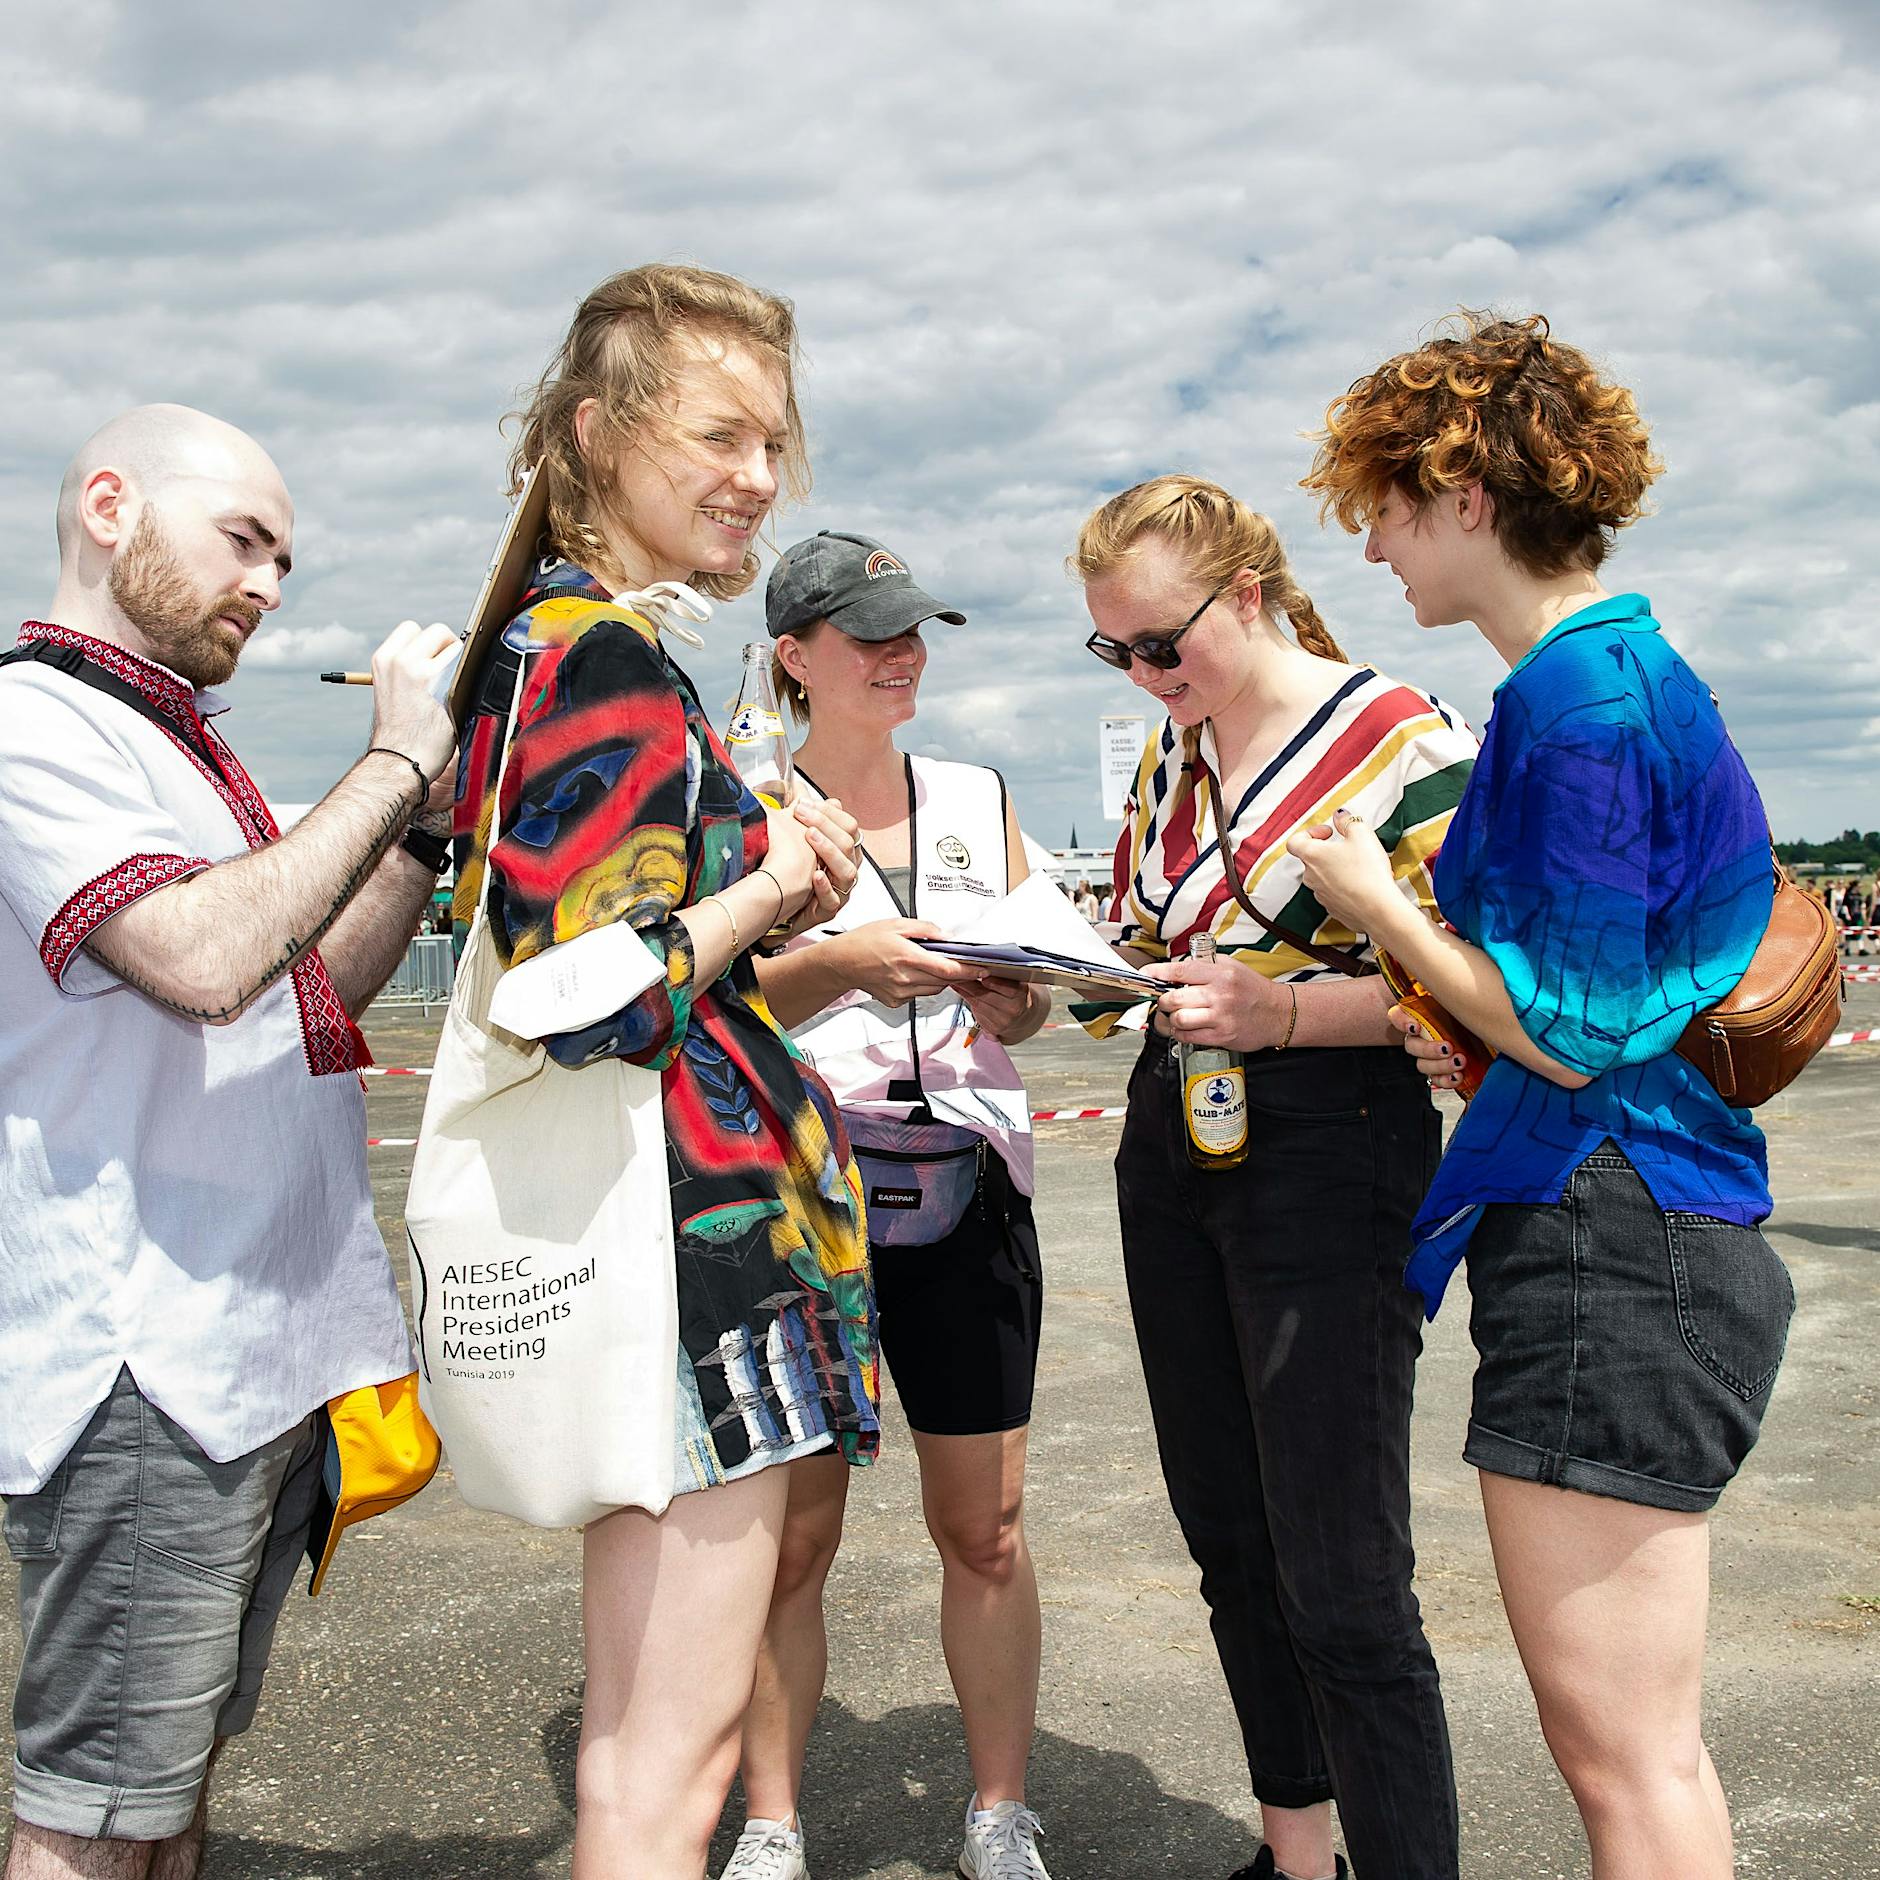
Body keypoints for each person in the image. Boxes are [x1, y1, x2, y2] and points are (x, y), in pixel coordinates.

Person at [1295, 312, 1792, 1880]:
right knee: (1649, 1757)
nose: (1371, 545)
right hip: (1638, 1224)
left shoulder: (1577, 701)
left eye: (1382, 502)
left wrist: (1378, 902)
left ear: (1461, 494)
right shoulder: (1611, 683)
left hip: (1610, 1227)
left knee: (1628, 1766)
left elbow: (1568, 1039)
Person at [450, 265, 875, 1880]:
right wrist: (769, 888)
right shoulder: (598, 654)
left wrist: (754, 898)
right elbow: (582, 996)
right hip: (698, 1271)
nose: (759, 474)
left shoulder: (561, 640)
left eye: (775, 441)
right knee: (663, 1766)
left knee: (639, 1747)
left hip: (677, 1252)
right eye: (721, 432)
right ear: (594, 434)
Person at [0, 405, 458, 1880]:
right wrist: (390, 758)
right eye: (243, 540)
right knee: (88, 1813)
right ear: (110, 506)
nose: (269, 586)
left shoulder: (173, 746)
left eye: (285, 558)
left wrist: (420, 831)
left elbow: (304, 994)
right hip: (145, 1352)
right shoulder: (33, 721)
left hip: (248, 1351)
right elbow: (201, 955)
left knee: (167, 1780)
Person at [1070, 475, 1476, 1880]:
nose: (1144, 673)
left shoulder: (1397, 736)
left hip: (1330, 1131)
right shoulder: (1170, 752)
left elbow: (1484, 988)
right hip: (1173, 1123)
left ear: (1247, 594)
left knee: (1344, 1572)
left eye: (1161, 644)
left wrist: (1288, 1013)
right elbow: (1136, 930)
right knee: (1230, 1531)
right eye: (1112, 653)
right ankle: (1298, 1853)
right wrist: (1036, 981)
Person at [723, 533, 1055, 1880]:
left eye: (913, 626)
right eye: (868, 632)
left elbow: (1042, 997)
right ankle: (771, 1820)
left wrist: (1010, 995)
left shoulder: (975, 797)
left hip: (968, 1188)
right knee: (789, 1544)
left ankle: (997, 1813)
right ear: (796, 657)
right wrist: (844, 966)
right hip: (803, 1200)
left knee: (985, 1527)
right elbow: (707, 1002)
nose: (901, 650)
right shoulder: (740, 804)